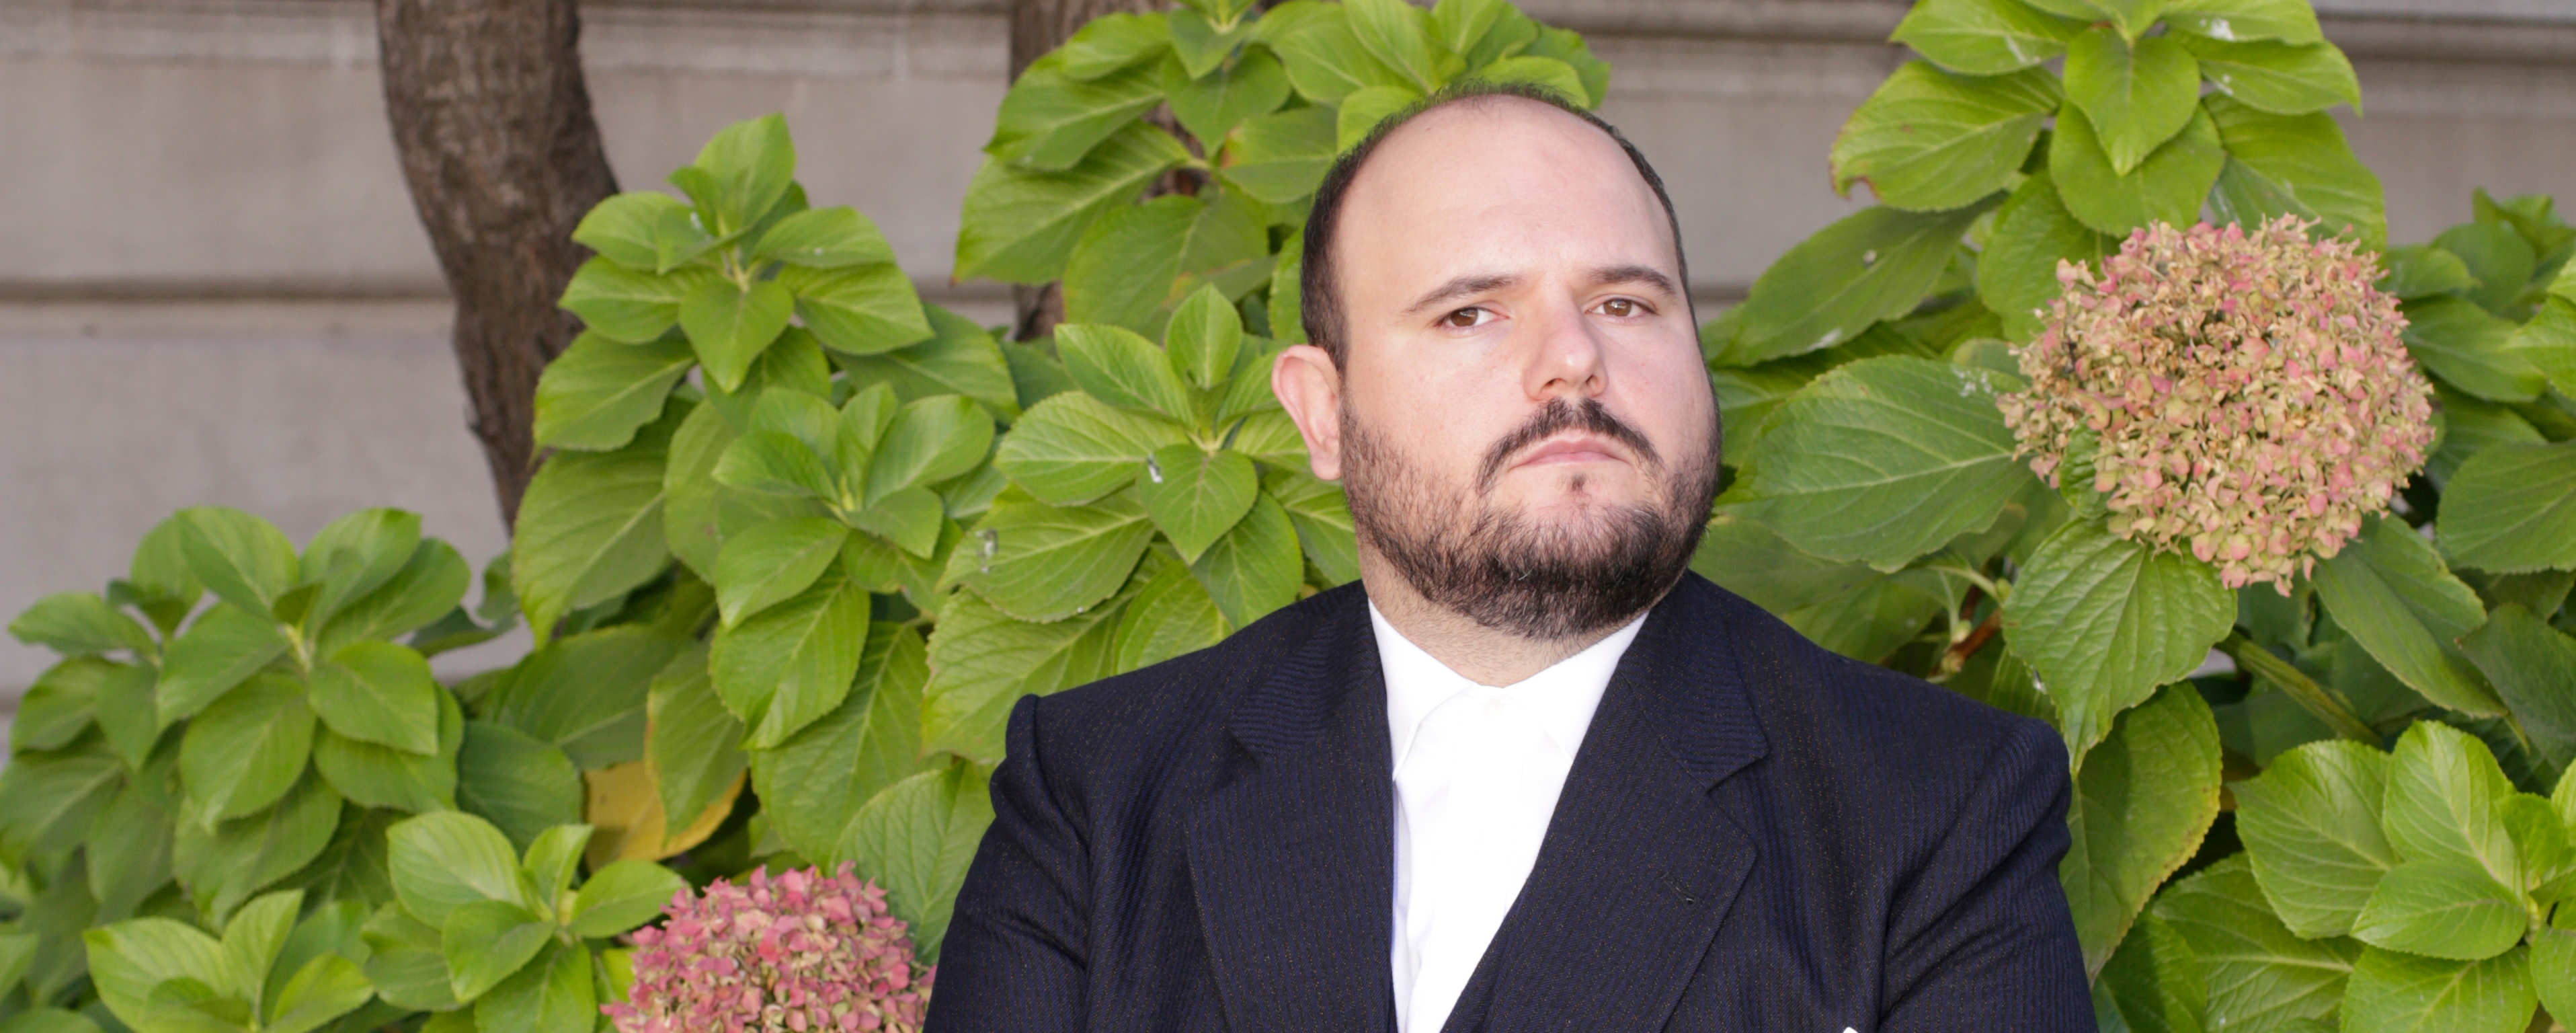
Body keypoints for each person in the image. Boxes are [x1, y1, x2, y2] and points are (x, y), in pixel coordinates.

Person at [924, 82, 2094, 1032]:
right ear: (1322, 414)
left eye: (1628, 304)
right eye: (1470, 313)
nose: (1572, 361)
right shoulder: (1094, 795)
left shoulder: (1937, 808)